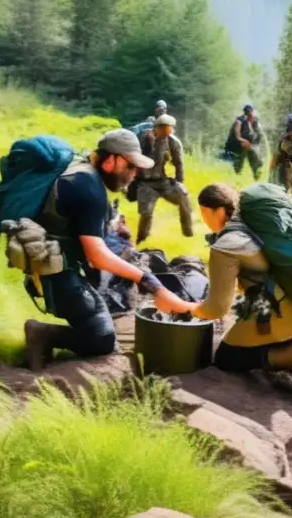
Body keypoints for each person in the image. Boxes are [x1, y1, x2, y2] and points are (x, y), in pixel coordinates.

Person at [23, 129, 190, 371]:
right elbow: (98, 256)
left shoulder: (84, 171)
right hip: (55, 271)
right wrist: (151, 282)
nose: (135, 173)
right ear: (110, 160)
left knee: (99, 313)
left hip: (57, 259)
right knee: (102, 338)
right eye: (130, 166)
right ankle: (42, 334)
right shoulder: (88, 188)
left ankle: (50, 333)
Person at [152, 183, 292, 397]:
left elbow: (216, 310)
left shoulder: (227, 245)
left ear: (210, 210)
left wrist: (180, 305)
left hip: (287, 314)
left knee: (227, 356)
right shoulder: (253, 220)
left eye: (203, 212)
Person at [135, 114, 194, 244]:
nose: (168, 131)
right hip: (147, 183)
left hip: (166, 182)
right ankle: (141, 239)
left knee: (183, 197)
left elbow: (179, 164)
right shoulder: (144, 139)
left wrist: (179, 182)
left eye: (170, 128)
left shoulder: (173, 142)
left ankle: (188, 233)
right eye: (165, 128)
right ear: (157, 128)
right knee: (146, 213)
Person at [229, 105, 264, 180]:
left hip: (250, 144)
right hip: (240, 144)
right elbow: (237, 136)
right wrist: (244, 141)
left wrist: (254, 144)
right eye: (248, 113)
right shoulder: (239, 121)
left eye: (251, 112)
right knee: (239, 162)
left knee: (256, 160)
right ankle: (237, 176)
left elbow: (259, 134)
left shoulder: (255, 120)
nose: (250, 114)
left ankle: (256, 175)